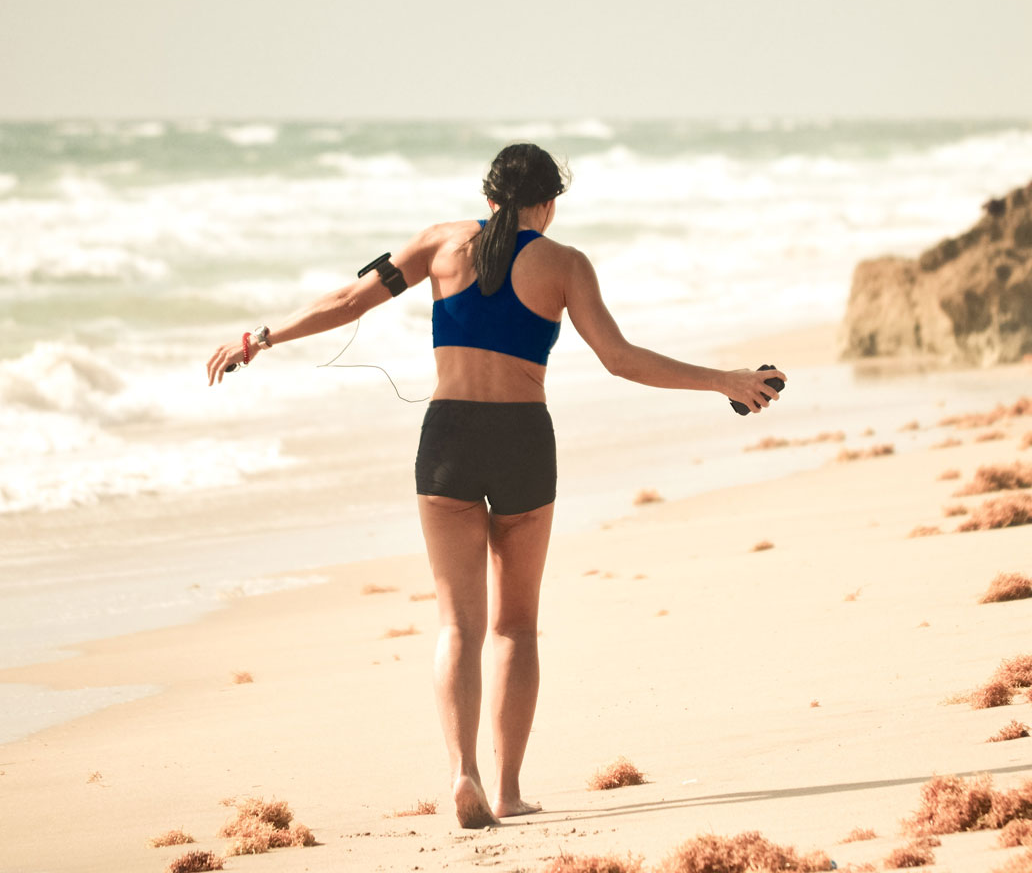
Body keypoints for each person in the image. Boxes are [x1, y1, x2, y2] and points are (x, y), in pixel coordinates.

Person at [205, 143, 786, 828]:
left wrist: (260, 338)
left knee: (458, 625)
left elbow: (347, 301)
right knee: (515, 627)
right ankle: (508, 789)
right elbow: (620, 360)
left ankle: (462, 774)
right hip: (522, 442)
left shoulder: (437, 245)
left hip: (447, 439)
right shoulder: (565, 265)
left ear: (487, 198)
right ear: (548, 203)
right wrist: (727, 380)